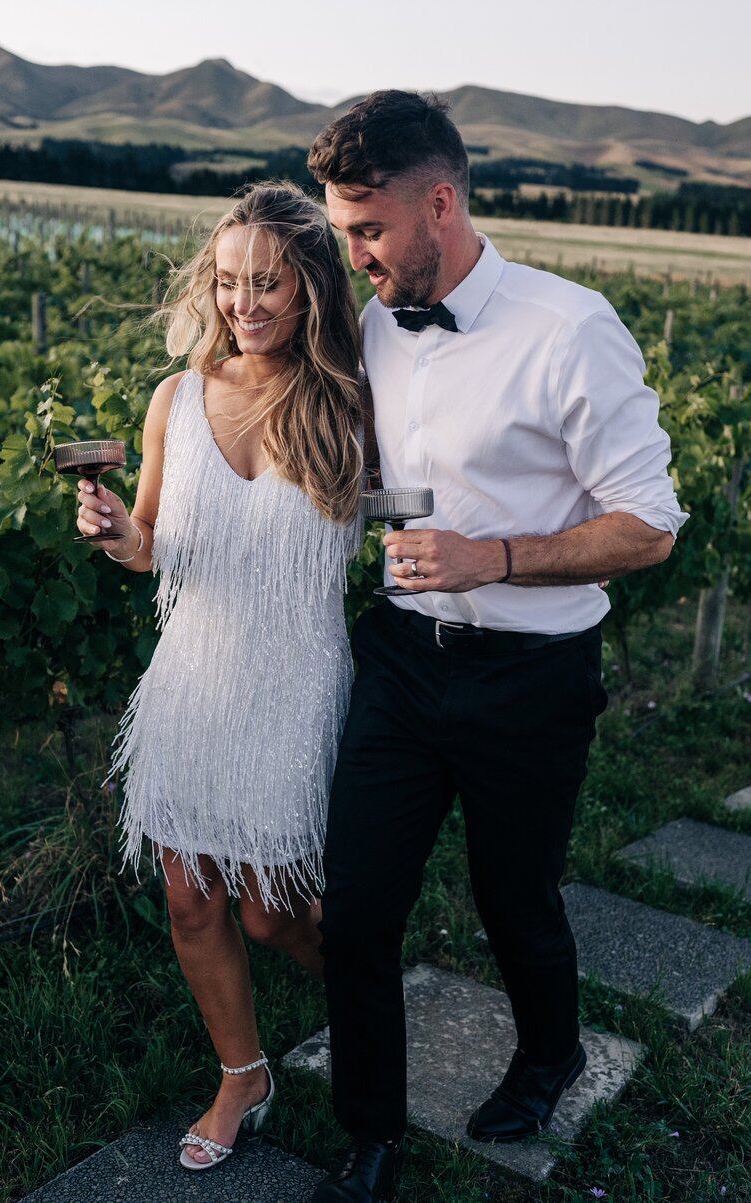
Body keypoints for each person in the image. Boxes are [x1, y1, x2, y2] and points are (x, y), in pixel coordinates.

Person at [306, 91, 689, 1202]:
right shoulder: (374, 318)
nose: (356, 256)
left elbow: (649, 525)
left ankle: (549, 1054)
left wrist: (498, 558)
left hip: (530, 675)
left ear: (439, 203)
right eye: (343, 232)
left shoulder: (568, 329)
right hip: (399, 657)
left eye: (368, 230)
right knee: (360, 904)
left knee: (511, 894)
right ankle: (369, 1130)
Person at [74, 182, 364, 1172]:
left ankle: (362, 994)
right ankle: (243, 1074)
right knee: (191, 901)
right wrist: (117, 533)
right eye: (230, 281)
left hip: (292, 678)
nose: (244, 302)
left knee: (272, 907)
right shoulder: (175, 400)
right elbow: (150, 546)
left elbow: (416, 508)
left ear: (310, 289)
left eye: (268, 284)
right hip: (191, 678)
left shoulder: (350, 402)